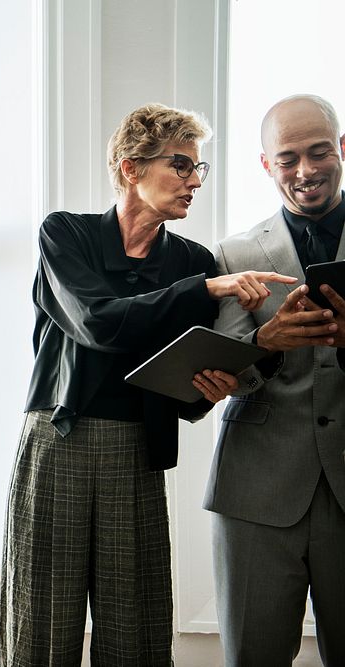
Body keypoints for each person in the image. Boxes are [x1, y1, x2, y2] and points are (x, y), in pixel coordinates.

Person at [0, 103, 296, 667]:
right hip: (57, 442)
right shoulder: (67, 234)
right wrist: (205, 292)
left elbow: (187, 391)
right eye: (181, 165)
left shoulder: (193, 261)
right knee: (40, 630)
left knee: (134, 633)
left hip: (138, 450)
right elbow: (98, 322)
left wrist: (221, 379)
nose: (194, 181)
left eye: (199, 169)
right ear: (131, 167)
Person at [206, 94, 345, 666]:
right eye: (288, 158)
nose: (305, 171)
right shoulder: (234, 253)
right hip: (255, 493)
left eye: (318, 153)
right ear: (267, 165)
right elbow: (214, 375)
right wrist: (266, 343)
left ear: (342, 150)